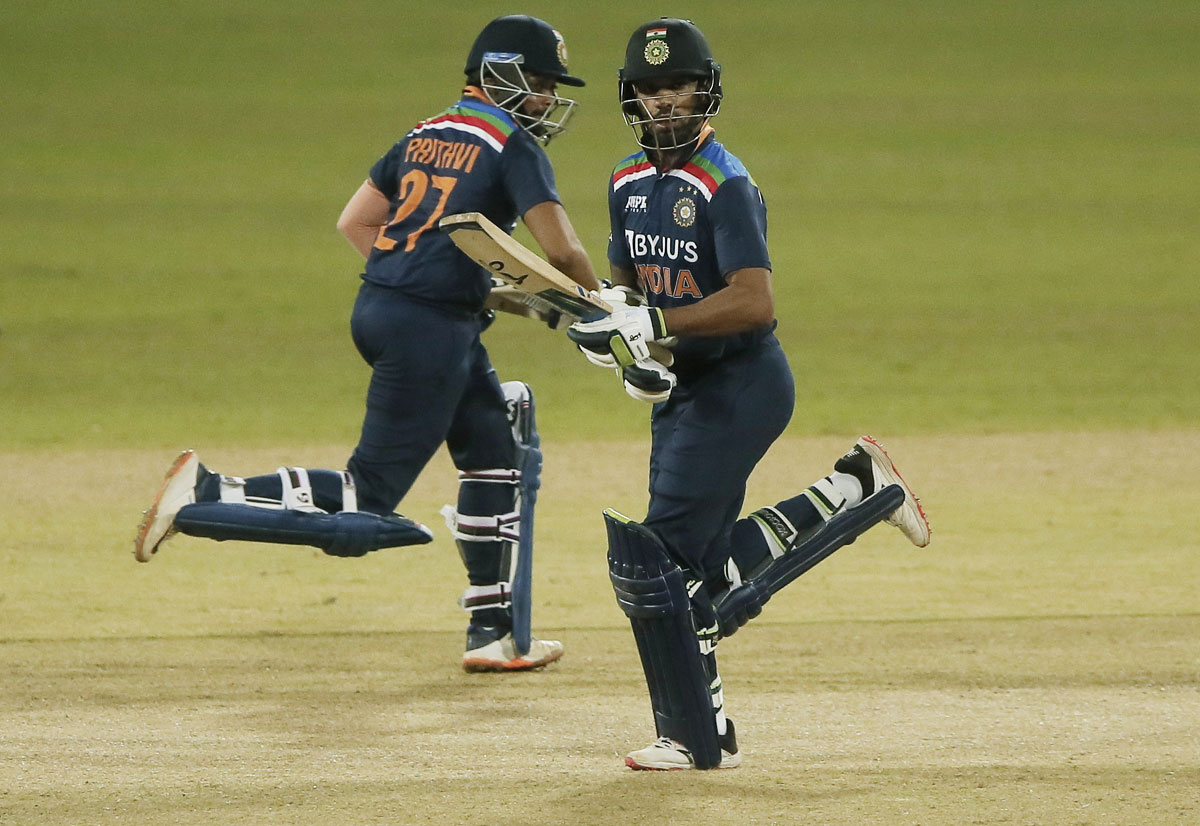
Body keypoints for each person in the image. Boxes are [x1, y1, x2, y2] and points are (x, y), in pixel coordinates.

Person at [134, 14, 600, 673]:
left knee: (494, 452)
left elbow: (358, 221)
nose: (549, 99)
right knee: (369, 495)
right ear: (503, 75)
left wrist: (453, 285)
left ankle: (492, 633)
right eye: (543, 83)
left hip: (391, 307)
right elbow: (562, 250)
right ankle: (208, 492)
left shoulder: (424, 132)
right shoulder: (510, 145)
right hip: (428, 328)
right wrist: (603, 306)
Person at [567, 18, 931, 770]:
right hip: (686, 392)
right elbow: (630, 289)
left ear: (706, 90)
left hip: (742, 383)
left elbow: (754, 302)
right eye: (648, 89)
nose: (664, 102)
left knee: (661, 562)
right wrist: (627, 343)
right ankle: (853, 486)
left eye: (677, 87)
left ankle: (692, 735)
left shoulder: (724, 183)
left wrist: (656, 322)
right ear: (630, 98)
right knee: (694, 576)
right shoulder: (625, 182)